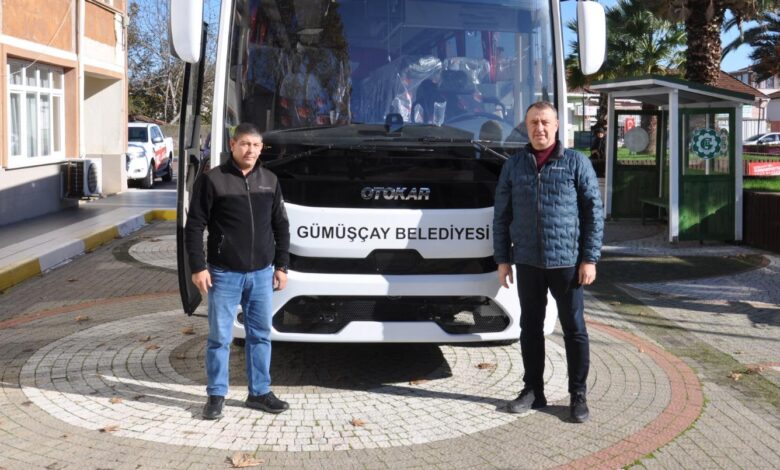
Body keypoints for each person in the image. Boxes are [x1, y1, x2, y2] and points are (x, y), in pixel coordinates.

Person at [493, 102, 603, 423]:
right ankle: (533, 390)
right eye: (533, 123)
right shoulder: (514, 166)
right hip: (528, 261)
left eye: (545, 122)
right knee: (530, 328)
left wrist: (589, 258)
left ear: (556, 126)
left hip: (567, 263)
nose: (539, 128)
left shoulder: (576, 163)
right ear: (526, 127)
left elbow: (593, 213)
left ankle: (578, 395)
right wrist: (503, 259)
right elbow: (502, 216)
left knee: (574, 329)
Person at [185, 122, 291, 420]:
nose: (250, 150)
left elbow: (281, 225)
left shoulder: (269, 180)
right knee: (220, 337)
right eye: (245, 144)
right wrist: (198, 267)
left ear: (261, 148)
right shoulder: (213, 180)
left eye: (256, 145)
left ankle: (259, 393)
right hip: (224, 274)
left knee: (260, 336)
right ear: (232, 145)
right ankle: (216, 395)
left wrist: (281, 265)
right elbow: (194, 226)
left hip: (261, 274)